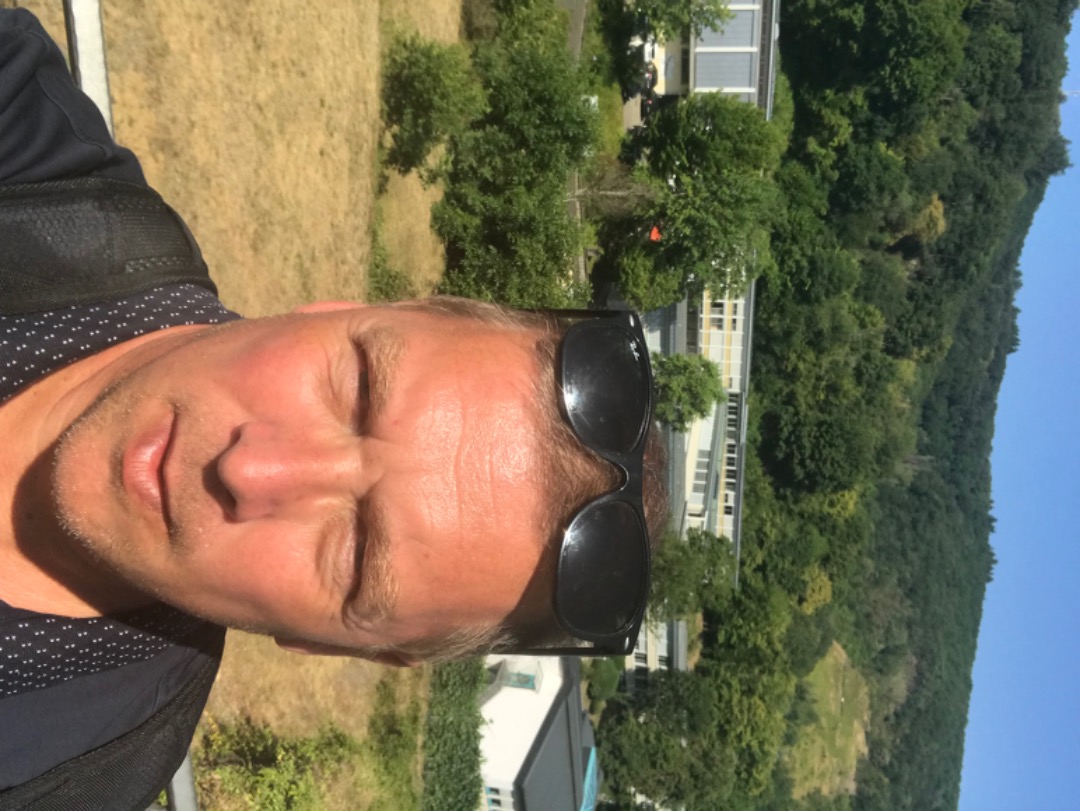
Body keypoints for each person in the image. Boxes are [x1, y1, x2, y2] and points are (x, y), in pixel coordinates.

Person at [0, 8, 667, 806]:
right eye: (354, 388)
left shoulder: (68, 779)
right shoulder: (23, 136)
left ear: (336, 644)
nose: (251, 469)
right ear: (336, 309)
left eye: (352, 558)